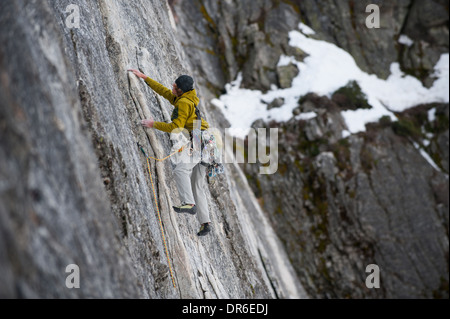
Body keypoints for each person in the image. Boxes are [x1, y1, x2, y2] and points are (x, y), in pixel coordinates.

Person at [128, 69, 212, 236]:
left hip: (200, 139)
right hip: (208, 141)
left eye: (175, 87)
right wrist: (145, 78)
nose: (172, 88)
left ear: (181, 90)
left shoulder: (183, 103)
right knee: (197, 185)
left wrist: (154, 124)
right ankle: (205, 223)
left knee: (181, 169)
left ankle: (188, 203)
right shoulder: (186, 98)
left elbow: (175, 127)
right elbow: (165, 92)